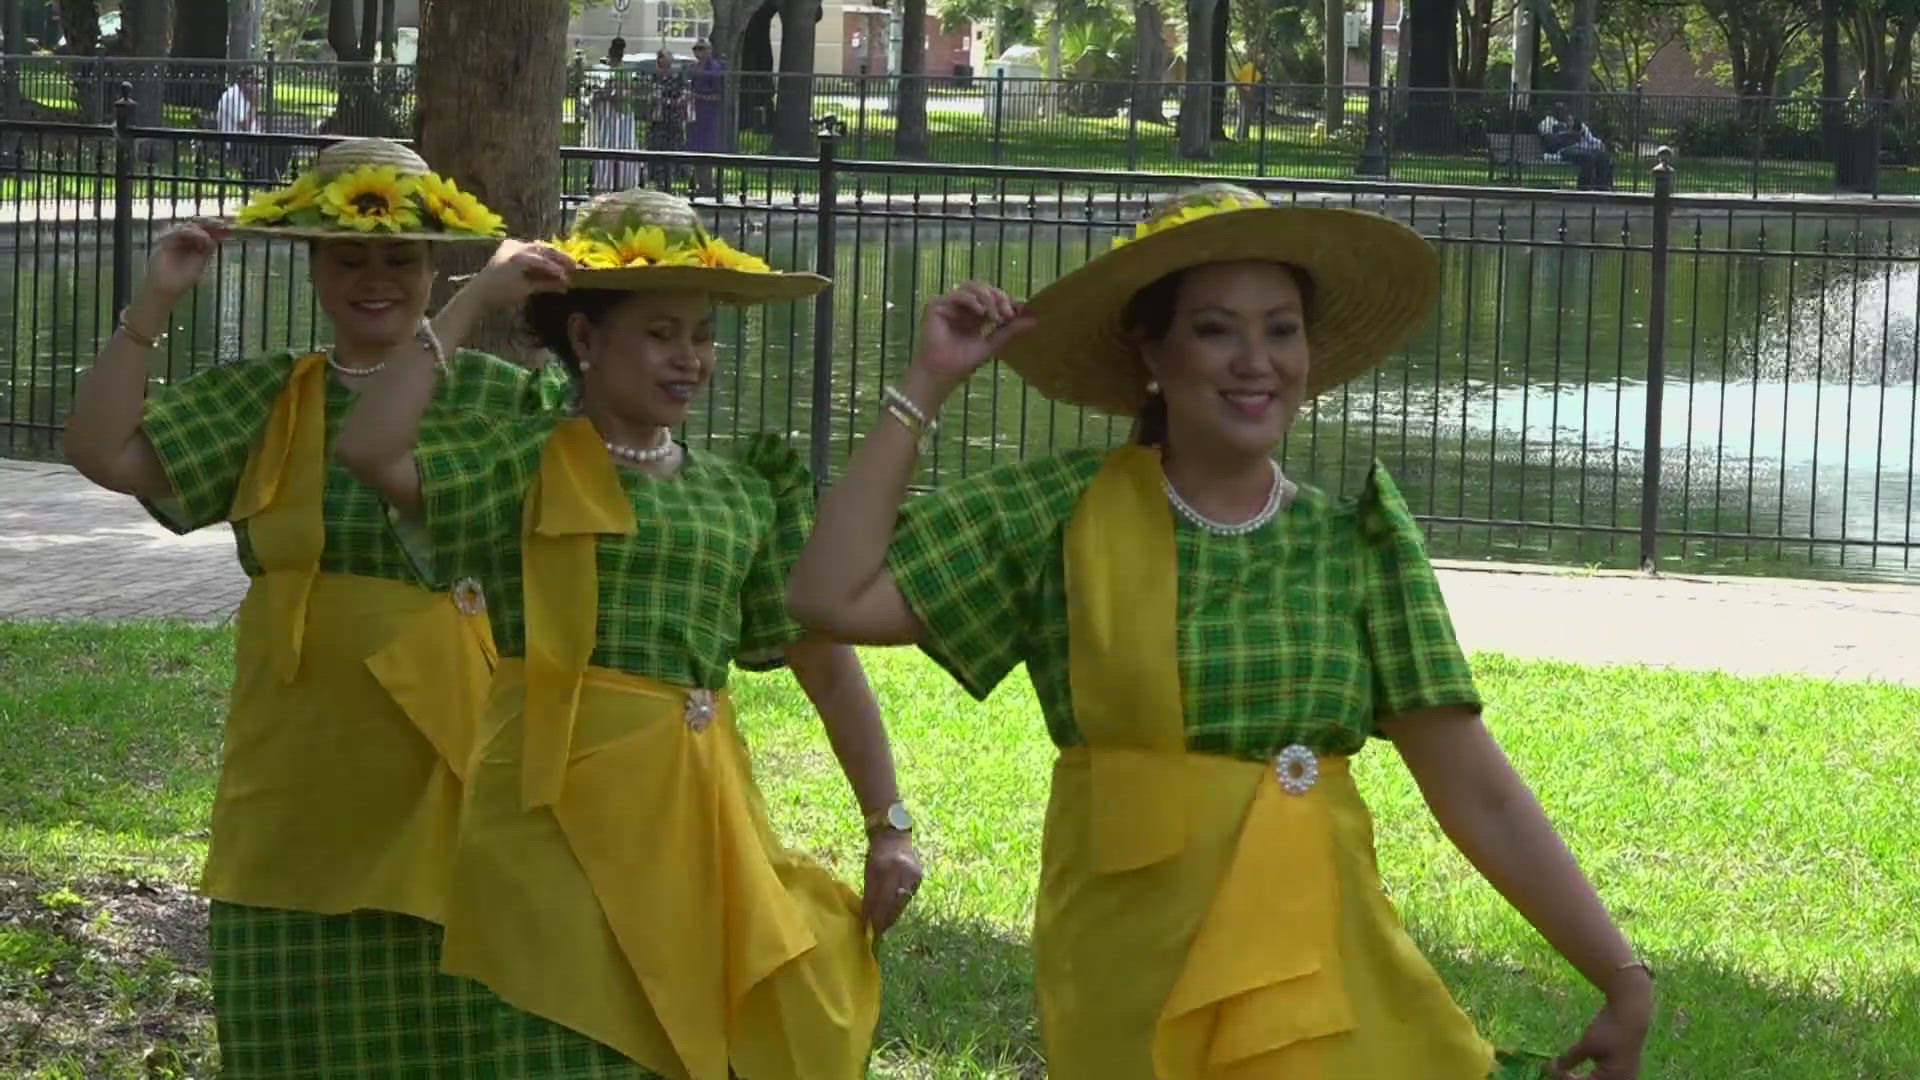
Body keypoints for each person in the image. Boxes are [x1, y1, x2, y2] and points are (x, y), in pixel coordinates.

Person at [785, 184, 1655, 1080]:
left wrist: (1619, 976)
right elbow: (829, 597)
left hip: (1321, 969)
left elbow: (1476, 786)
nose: (1256, 361)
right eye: (1215, 329)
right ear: (1152, 352)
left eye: (1281, 330)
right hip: (1129, 976)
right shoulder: (1061, 511)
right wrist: (927, 384)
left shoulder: (1355, 542)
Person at [334, 188, 922, 1079]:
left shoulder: (741, 491)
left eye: (702, 333)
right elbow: (372, 452)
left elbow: (825, 664)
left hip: (694, 814)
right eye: (662, 333)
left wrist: (888, 823)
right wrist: (469, 304)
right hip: (546, 819)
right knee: (562, 1038)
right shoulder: (521, 461)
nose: (691, 358)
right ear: (585, 338)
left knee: (699, 1041)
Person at [60, 138, 570, 1076]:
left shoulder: (507, 399)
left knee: (453, 1026)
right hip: (297, 759)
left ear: (434, 267)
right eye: (348, 257)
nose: (374, 279)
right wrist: (155, 300)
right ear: (313, 269)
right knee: (288, 1023)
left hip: (453, 752)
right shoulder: (270, 396)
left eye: (398, 259)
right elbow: (102, 450)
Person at [587, 37, 642, 192]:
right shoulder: (618, 71)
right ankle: (617, 181)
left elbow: (620, 93)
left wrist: (603, 95)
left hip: (619, 116)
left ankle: (620, 181)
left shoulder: (621, 72)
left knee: (619, 147)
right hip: (616, 116)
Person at [1539, 103, 1615, 192]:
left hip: (1582, 149)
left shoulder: (1578, 125)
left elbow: (1591, 140)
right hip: (1563, 151)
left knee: (1602, 156)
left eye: (1565, 112)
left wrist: (1600, 145)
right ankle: (1583, 187)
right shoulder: (1547, 122)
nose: (1564, 114)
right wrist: (1568, 135)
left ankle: (1602, 186)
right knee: (1587, 157)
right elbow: (1550, 142)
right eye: (1560, 111)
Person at [212, 68, 270, 181]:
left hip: (250, 140)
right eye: (252, 82)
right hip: (236, 143)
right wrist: (254, 105)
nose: (255, 87)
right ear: (242, 82)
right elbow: (245, 126)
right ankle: (259, 181)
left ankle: (263, 180)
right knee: (272, 149)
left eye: (256, 83)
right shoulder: (232, 97)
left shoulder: (245, 96)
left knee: (281, 148)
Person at [645, 48, 690, 191]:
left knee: (672, 149)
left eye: (663, 57)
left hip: (672, 118)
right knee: (656, 148)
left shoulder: (676, 76)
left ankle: (670, 180)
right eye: (659, 58)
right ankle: (657, 180)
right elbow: (648, 94)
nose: (660, 60)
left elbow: (684, 93)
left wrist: (674, 102)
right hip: (657, 119)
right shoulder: (654, 76)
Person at [687, 37, 727, 195]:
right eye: (696, 49)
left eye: (701, 49)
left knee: (708, 149)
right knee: (695, 148)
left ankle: (708, 184)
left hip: (709, 115)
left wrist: (697, 96)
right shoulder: (694, 68)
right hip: (695, 114)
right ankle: (700, 183)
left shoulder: (715, 69)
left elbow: (718, 96)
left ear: (709, 50)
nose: (698, 52)